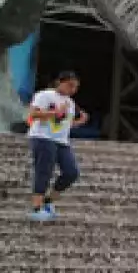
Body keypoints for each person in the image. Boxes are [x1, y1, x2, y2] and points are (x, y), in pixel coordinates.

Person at [24, 71, 87, 222]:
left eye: (76, 87)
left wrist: (80, 122)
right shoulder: (45, 95)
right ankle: (36, 208)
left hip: (61, 140)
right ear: (60, 82)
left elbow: (64, 123)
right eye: (70, 85)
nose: (72, 90)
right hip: (42, 137)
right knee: (44, 171)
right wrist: (55, 112)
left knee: (72, 172)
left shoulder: (70, 103)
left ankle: (48, 201)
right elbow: (33, 114)